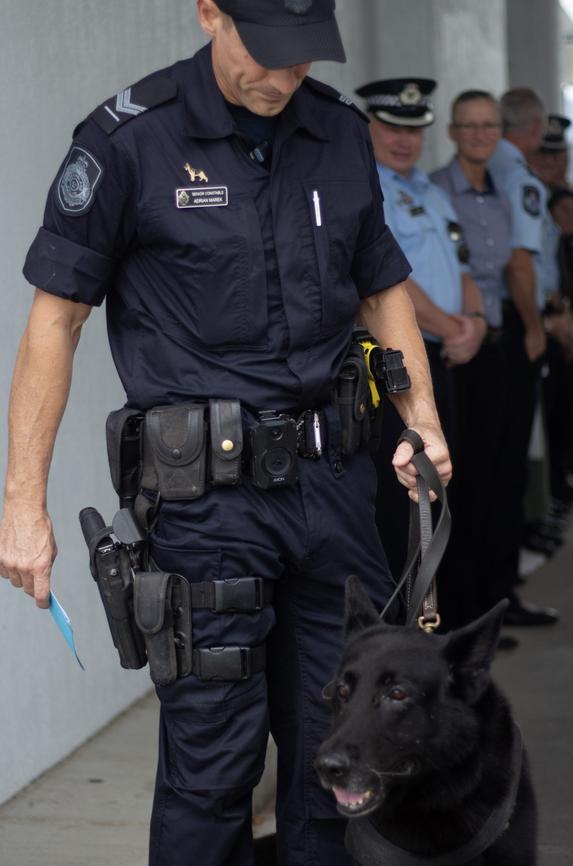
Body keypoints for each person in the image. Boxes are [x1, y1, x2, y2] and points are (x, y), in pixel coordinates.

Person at [0, 4, 451, 866]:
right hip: (206, 509)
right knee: (214, 769)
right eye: (265, 55)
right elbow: (53, 324)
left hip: (333, 491)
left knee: (345, 759)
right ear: (211, 12)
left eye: (303, 59)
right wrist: (24, 504)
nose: (282, 80)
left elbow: (381, 281)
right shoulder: (127, 140)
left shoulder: (339, 133)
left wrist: (420, 422)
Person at [354, 77, 485, 585]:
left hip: (449, 356)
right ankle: (410, 623)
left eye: (414, 129)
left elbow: (464, 269)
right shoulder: (369, 191)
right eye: (391, 128)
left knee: (451, 490)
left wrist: (471, 324)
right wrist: (453, 327)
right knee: (406, 505)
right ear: (370, 127)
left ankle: (448, 620)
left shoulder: (431, 192)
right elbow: (391, 286)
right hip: (402, 368)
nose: (404, 140)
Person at [429, 90, 514, 629]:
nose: (481, 133)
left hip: (493, 339)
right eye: (471, 125)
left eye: (490, 125)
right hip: (457, 347)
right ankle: (464, 610)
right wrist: (463, 331)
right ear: (454, 132)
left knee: (501, 476)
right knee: (468, 481)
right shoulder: (435, 190)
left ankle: (497, 598)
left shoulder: (500, 196)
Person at [485, 87, 558, 626]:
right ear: (533, 131)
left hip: (490, 326)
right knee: (504, 470)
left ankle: (490, 592)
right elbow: (520, 264)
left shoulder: (484, 172)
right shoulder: (519, 179)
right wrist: (535, 328)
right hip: (512, 326)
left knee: (492, 467)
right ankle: (501, 594)